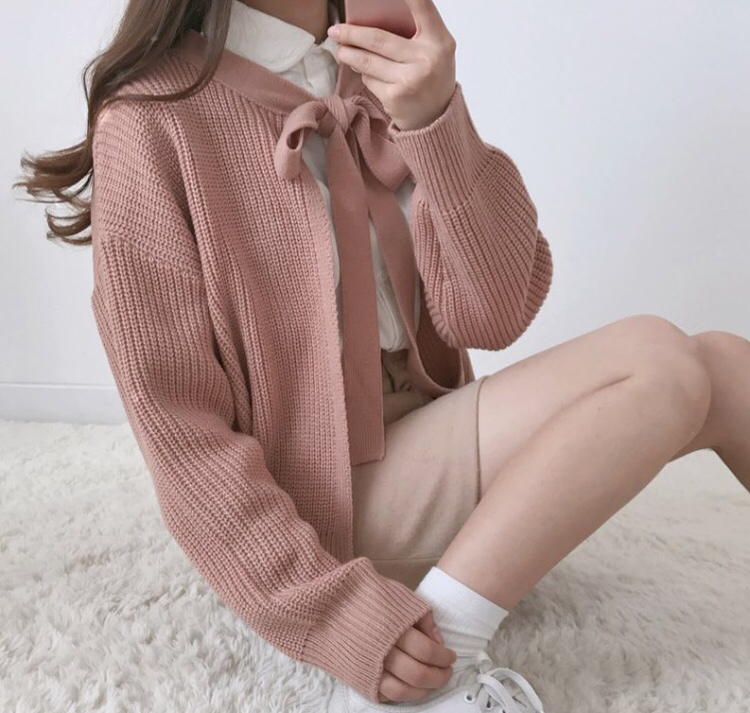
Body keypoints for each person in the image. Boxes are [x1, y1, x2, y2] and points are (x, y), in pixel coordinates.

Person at [14, 0, 750, 710]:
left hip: (426, 438)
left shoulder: (385, 71)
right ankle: (438, 657)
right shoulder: (150, 120)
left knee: (724, 362)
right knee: (658, 359)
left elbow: (495, 312)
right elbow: (183, 436)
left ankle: (450, 611)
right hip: (323, 504)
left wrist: (436, 118)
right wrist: (337, 618)